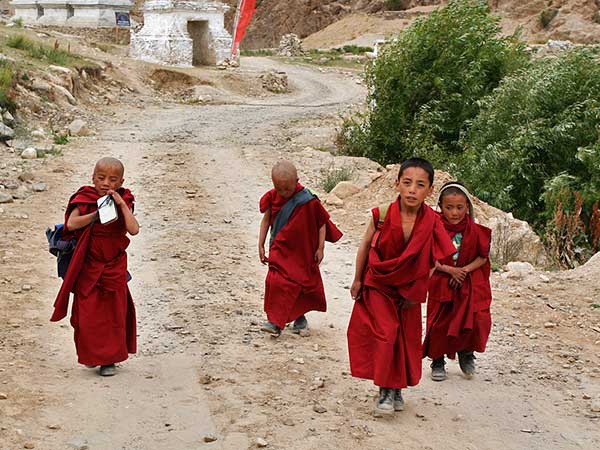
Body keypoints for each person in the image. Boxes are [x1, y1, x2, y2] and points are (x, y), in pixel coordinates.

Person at [347, 157, 456, 417]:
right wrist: (357, 279)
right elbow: (365, 246)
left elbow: (434, 259)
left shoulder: (432, 221)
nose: (412, 190)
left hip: (410, 289)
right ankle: (385, 389)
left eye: (420, 185)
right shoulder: (381, 214)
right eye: (407, 183)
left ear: (430, 191)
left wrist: (417, 289)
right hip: (379, 284)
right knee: (386, 333)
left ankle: (397, 388)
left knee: (405, 340)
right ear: (397, 184)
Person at [51, 157, 139, 377]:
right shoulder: (84, 197)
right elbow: (71, 224)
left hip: (113, 265)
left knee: (114, 315)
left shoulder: (125, 199)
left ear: (121, 182)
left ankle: (109, 360)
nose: (106, 183)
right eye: (101, 178)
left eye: (112, 179)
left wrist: (120, 204)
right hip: (88, 265)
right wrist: (96, 215)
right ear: (93, 178)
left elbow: (133, 229)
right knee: (87, 314)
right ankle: (92, 355)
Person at [258, 160, 342, 336]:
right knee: (275, 282)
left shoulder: (307, 200)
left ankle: (299, 318)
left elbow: (321, 223)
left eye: (287, 189)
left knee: (300, 284)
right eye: (279, 189)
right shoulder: (273, 197)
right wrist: (261, 244)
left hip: (302, 252)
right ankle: (274, 322)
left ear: (297, 180)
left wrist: (320, 248)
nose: (284, 193)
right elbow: (266, 220)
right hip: (280, 250)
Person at [423, 182, 492, 381]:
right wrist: (450, 270)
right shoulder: (433, 228)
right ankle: (437, 360)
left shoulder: (476, 230)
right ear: (441, 207)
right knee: (439, 322)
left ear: (468, 207)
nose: (454, 213)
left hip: (466, 280)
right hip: (441, 279)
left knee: (473, 318)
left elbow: (482, 257)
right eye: (449, 207)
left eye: (460, 208)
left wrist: (463, 271)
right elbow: (429, 256)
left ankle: (466, 352)